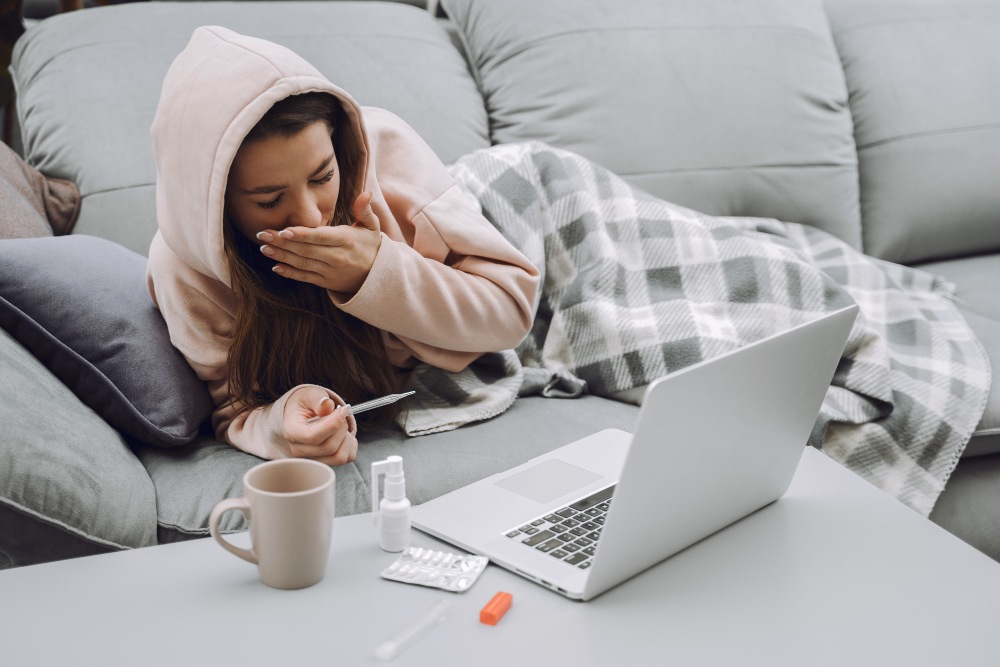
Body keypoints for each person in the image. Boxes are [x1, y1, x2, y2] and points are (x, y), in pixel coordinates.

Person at [146, 27, 539, 467]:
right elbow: (235, 408)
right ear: (214, 204)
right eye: (269, 200)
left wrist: (376, 272)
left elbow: (511, 313)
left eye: (323, 177)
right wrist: (282, 423)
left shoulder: (386, 151)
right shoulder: (183, 269)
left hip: (515, 191)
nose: (310, 216)